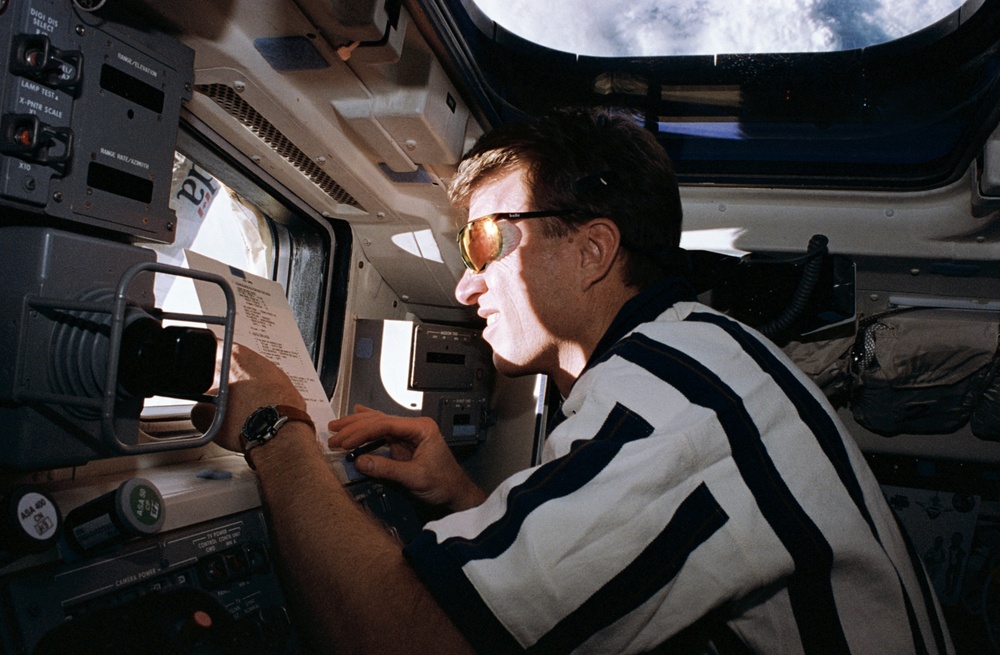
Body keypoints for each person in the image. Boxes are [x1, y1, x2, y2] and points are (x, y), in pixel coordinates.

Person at [197, 107, 953, 654]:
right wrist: (465, 497)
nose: (466, 286)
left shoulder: (672, 403)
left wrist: (276, 426)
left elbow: (399, 637)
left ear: (592, 250)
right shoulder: (690, 358)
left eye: (486, 241)